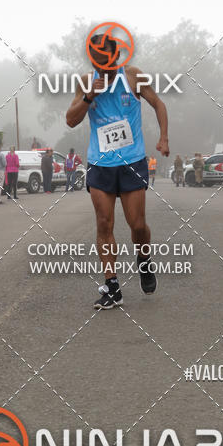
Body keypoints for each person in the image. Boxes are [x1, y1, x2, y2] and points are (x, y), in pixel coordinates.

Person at [66, 32, 169, 309]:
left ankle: (144, 260)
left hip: (132, 162)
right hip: (100, 163)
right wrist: (89, 97)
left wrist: (163, 138)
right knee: (104, 223)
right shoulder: (87, 82)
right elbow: (71, 120)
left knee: (137, 225)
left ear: (116, 53)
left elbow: (158, 104)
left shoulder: (133, 76)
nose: (101, 59)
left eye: (105, 54)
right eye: (96, 55)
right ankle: (112, 287)